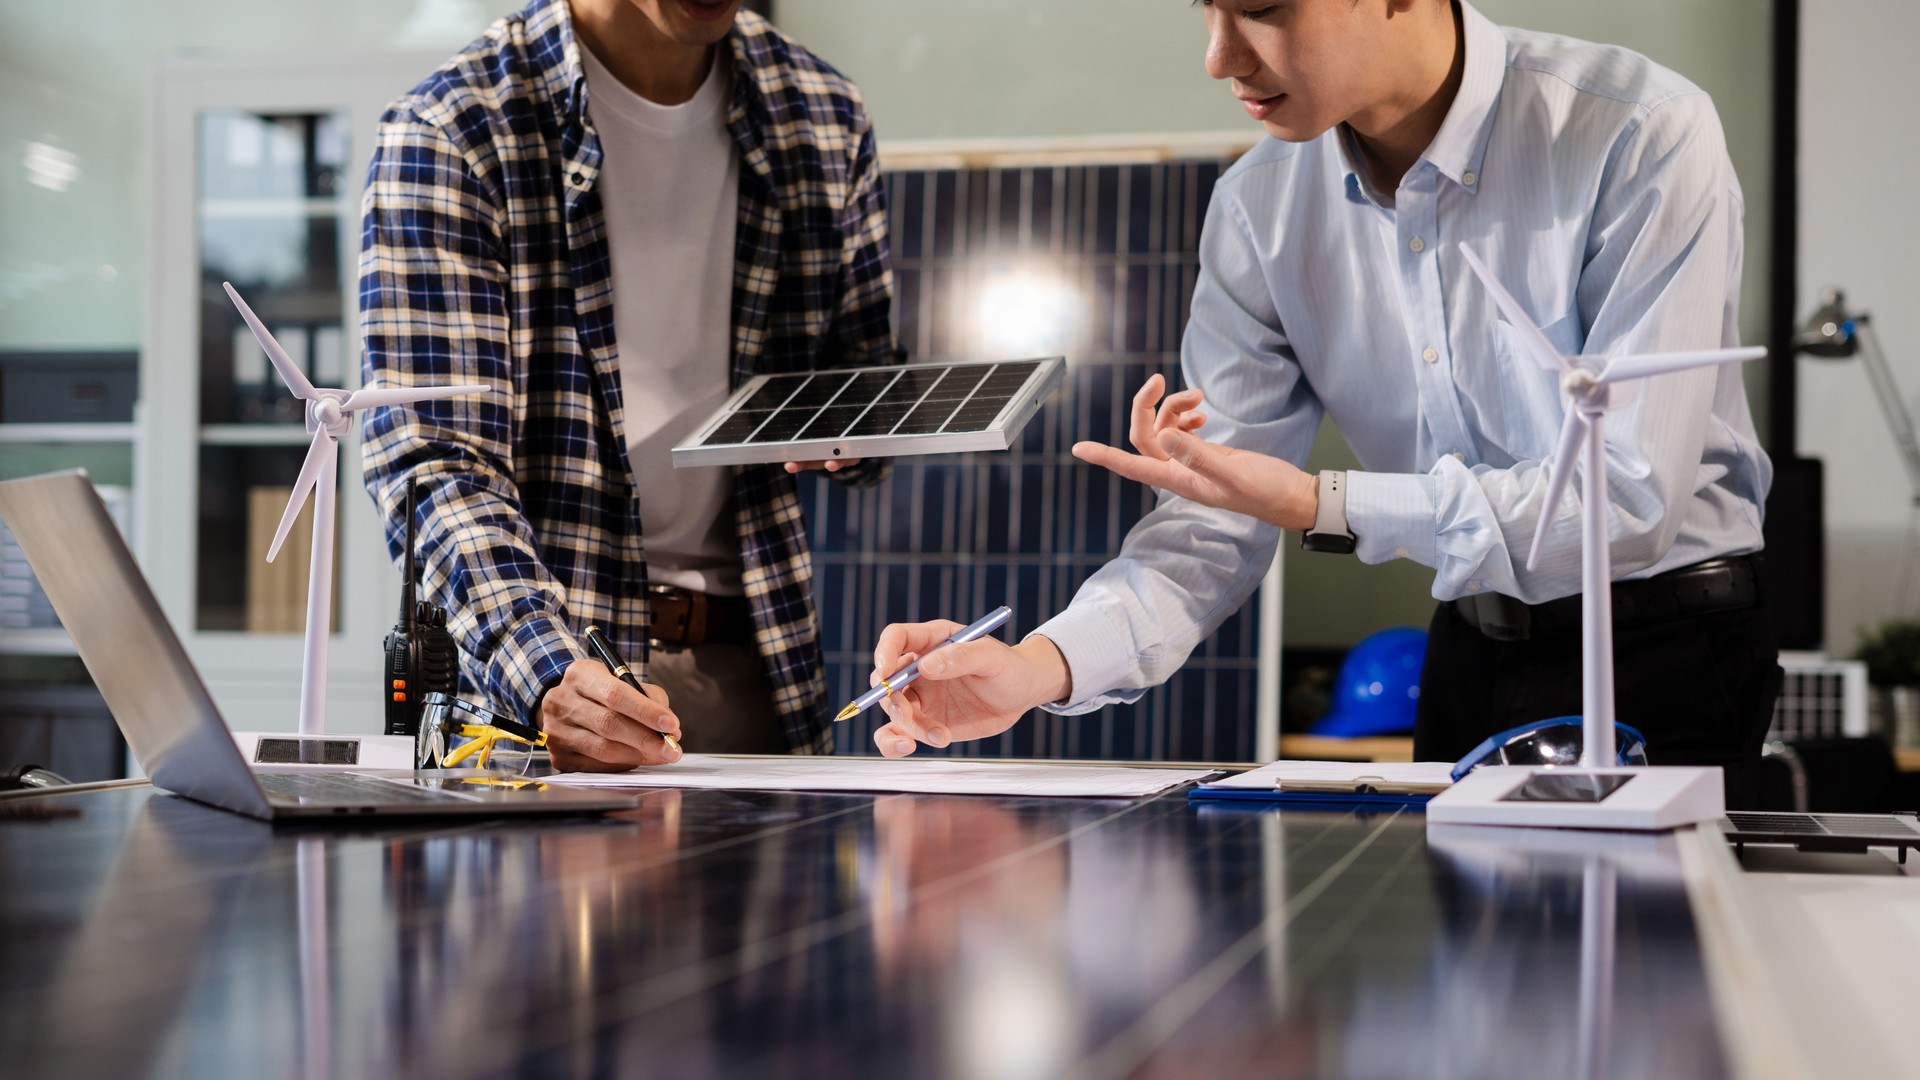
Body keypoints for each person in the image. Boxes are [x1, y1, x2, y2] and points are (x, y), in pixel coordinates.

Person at [866, 0, 1781, 807]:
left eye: (1262, 8)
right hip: (1467, 651)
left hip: (1670, 654)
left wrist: (1319, 503)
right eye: (1207, 10)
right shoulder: (1258, 209)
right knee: (1466, 998)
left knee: (1655, 990)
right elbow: (1209, 528)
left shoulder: (1638, 132)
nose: (1220, 58)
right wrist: (1035, 669)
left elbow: (1624, 504)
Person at [359, 0, 894, 771]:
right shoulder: (454, 127)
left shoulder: (821, 115)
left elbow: (864, 374)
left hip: (757, 669)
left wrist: (857, 435)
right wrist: (547, 672)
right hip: (542, 686)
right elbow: (434, 463)